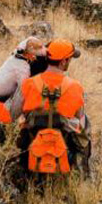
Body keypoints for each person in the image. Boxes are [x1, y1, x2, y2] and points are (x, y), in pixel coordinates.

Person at [14, 38, 88, 174]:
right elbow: (81, 124)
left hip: (31, 149)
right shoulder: (75, 87)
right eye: (70, 59)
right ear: (63, 62)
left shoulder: (28, 84)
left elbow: (14, 113)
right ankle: (83, 169)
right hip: (64, 153)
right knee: (85, 120)